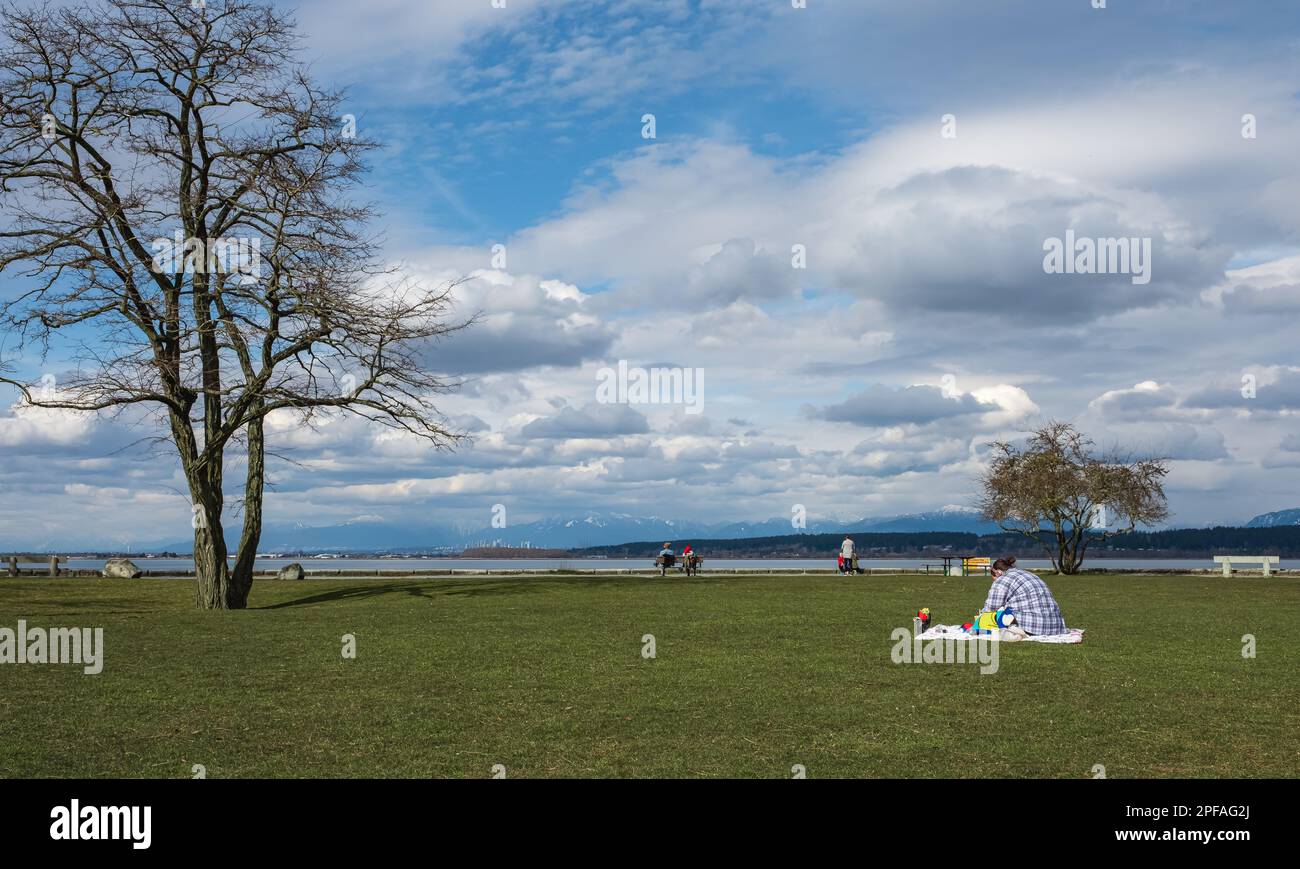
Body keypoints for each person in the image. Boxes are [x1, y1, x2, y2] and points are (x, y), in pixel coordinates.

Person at [981, 556, 1066, 636]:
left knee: (1000, 615)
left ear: (998, 572)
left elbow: (991, 607)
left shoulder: (1003, 579)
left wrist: (980, 618)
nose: (994, 582)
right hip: (1056, 626)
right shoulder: (1029, 574)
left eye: (994, 578)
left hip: (1034, 627)